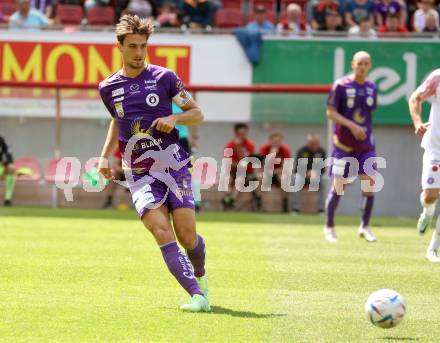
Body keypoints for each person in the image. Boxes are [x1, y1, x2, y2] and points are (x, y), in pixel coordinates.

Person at [98, 14, 209, 312]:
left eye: (143, 46)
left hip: (174, 167)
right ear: (119, 46)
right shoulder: (108, 87)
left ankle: (200, 272)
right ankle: (197, 296)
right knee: (161, 230)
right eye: (132, 46)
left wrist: (174, 117)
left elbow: (197, 113)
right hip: (139, 174)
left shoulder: (165, 78)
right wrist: (104, 156)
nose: (138, 52)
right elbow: (116, 121)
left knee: (188, 237)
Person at [324, 51, 378, 243]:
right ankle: (329, 227)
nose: (363, 67)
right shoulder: (341, 85)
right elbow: (330, 112)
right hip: (343, 145)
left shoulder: (372, 87)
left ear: (370, 65)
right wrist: (352, 126)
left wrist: (361, 129)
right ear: (353, 64)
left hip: (365, 146)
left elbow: (367, 114)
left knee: (370, 184)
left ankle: (365, 226)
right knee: (339, 186)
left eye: (366, 63)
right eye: (359, 63)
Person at [409, 69, 440, 262]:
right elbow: (415, 98)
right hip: (435, 148)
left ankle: (433, 248)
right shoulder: (437, 78)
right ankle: (427, 212)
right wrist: (418, 122)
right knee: (430, 196)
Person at [222, 123, 259, 209]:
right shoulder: (229, 145)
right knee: (227, 179)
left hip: (246, 172)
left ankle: (231, 200)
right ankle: (228, 197)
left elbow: (247, 161)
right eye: (240, 134)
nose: (242, 136)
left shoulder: (250, 145)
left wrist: (238, 148)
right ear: (236, 133)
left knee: (240, 179)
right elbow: (227, 162)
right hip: (233, 171)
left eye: (244, 133)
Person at [293, 134, 327, 213]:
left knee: (325, 180)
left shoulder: (322, 152)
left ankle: (321, 209)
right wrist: (307, 172)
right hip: (302, 175)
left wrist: (316, 172)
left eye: (315, 143)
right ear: (308, 143)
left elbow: (323, 168)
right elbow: (298, 166)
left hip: (317, 176)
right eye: (311, 143)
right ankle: (295, 208)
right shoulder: (302, 151)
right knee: (296, 179)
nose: (313, 145)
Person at [259, 132, 291, 213]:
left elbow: (286, 168)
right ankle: (259, 202)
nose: (276, 143)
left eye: (278, 141)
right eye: (274, 141)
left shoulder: (285, 150)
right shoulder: (264, 149)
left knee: (283, 178)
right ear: (270, 141)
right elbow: (261, 166)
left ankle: (285, 203)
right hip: (267, 173)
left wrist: (274, 172)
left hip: (278, 173)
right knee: (259, 177)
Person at [0, 136, 16, 207]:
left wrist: (5, 168)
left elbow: (8, 160)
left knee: (11, 169)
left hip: (2, 167)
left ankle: (7, 198)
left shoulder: (3, 144)